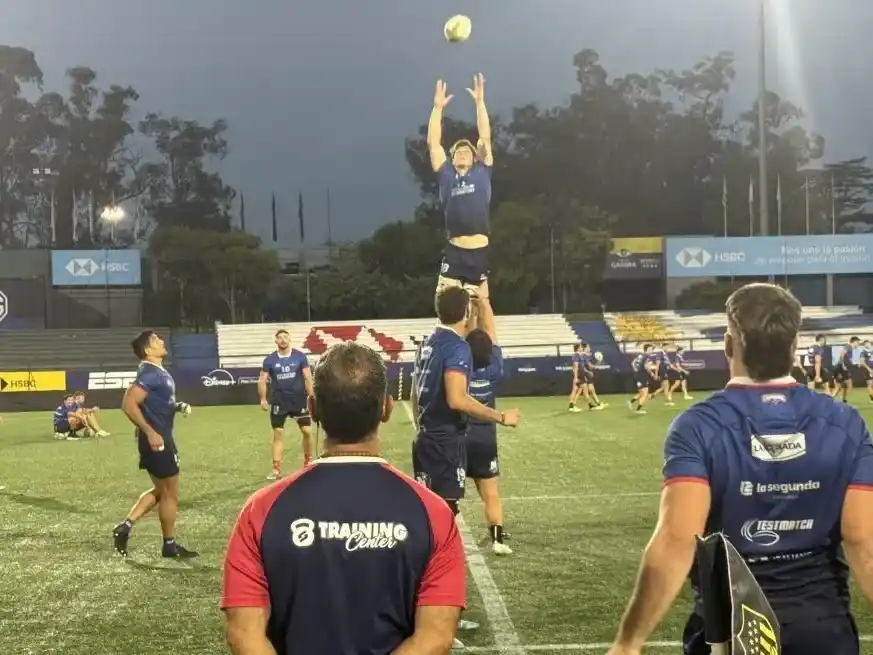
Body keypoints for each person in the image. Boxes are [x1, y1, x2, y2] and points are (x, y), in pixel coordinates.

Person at [608, 283, 873, 655]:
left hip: (731, 629)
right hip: (823, 628)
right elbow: (864, 540)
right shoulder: (845, 423)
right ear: (794, 346)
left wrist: (629, 643)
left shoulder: (698, 426)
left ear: (729, 344)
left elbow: (677, 539)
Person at [221, 342, 465, 655]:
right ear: (387, 409)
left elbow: (244, 636)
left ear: (312, 408)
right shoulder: (434, 513)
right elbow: (435, 639)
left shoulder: (261, 510)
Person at [112, 330, 196, 559]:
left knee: (162, 491)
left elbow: (155, 401)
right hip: (157, 440)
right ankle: (169, 546)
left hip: (156, 438)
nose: (161, 341)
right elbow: (129, 404)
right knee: (170, 494)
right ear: (148, 350)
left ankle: (126, 526)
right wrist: (151, 432)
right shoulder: (149, 372)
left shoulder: (156, 372)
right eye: (156, 340)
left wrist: (176, 406)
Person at [428, 74, 493, 302]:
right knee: (445, 302)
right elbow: (434, 143)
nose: (463, 151)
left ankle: (485, 339)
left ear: (475, 158)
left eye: (467, 150)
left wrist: (479, 103)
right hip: (455, 252)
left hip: (479, 251)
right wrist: (437, 108)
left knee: (481, 305)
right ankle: (449, 338)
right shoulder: (447, 174)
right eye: (458, 151)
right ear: (452, 159)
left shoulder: (481, 172)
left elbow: (484, 136)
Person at [466, 295, 512, 555]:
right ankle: (498, 539)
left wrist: (472, 310)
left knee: (449, 495)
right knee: (491, 492)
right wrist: (484, 303)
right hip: (485, 439)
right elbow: (491, 333)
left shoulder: (460, 367)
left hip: (460, 437)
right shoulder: (494, 370)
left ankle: (441, 541)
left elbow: (471, 338)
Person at [258, 328, 314, 479]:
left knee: (307, 431)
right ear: (276, 341)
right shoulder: (269, 360)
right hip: (279, 402)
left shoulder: (300, 357)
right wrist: (263, 398)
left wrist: (312, 396)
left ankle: (308, 462)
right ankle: (276, 469)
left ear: (290, 340)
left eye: (285, 337)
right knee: (278, 434)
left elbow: (308, 377)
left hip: (298, 400)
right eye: (279, 338)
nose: (282, 340)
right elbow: (262, 380)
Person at [569, 344, 605, 412]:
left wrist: (598, 362)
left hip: (581, 374)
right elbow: (575, 366)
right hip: (579, 374)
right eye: (580, 347)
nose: (582, 348)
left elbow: (590, 365)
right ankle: (571, 407)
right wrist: (575, 377)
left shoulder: (581, 355)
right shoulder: (576, 355)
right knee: (575, 390)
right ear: (577, 349)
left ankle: (590, 405)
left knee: (584, 390)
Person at [627, 344, 659, 414]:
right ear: (647, 349)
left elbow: (633, 363)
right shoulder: (647, 356)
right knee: (645, 393)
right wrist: (652, 374)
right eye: (651, 349)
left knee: (641, 392)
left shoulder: (640, 355)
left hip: (638, 375)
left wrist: (636, 370)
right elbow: (646, 367)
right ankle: (638, 410)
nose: (652, 350)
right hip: (642, 376)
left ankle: (631, 402)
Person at [833, 336, 860, 403]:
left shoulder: (850, 349)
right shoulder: (848, 347)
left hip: (842, 368)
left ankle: (842, 401)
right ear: (854, 342)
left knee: (841, 386)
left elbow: (846, 358)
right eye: (857, 342)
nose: (858, 344)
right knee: (849, 385)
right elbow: (842, 354)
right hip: (841, 368)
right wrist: (843, 365)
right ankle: (840, 401)